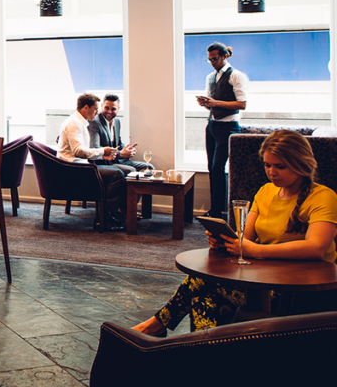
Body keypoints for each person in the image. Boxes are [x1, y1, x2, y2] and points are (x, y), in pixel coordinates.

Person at [133, 130, 337, 335]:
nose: (271, 172)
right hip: (263, 279)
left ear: (300, 164)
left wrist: (256, 250)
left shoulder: (323, 196)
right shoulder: (266, 191)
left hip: (298, 289)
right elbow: (245, 238)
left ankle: (157, 327)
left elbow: (316, 247)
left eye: (280, 166)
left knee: (201, 284)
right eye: (267, 165)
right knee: (203, 298)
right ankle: (203, 351)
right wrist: (225, 241)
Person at [60, 92, 128, 230]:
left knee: (121, 172)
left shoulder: (80, 122)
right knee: (116, 174)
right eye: (96, 109)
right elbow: (79, 151)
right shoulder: (74, 124)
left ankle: (114, 214)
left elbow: (85, 151)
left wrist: (103, 155)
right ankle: (104, 219)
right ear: (86, 107)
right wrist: (103, 151)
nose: (97, 112)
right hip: (74, 169)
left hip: (81, 166)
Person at [197, 42, 249, 218]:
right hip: (212, 124)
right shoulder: (210, 77)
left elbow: (242, 104)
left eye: (215, 59)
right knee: (212, 168)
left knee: (219, 167)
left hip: (228, 126)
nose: (212, 62)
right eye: (209, 59)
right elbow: (213, 105)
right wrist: (205, 104)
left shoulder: (236, 75)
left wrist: (215, 103)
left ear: (225, 56)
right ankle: (215, 210)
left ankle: (220, 213)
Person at [88, 94, 150, 174]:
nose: (109, 112)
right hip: (104, 163)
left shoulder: (117, 122)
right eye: (107, 108)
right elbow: (96, 149)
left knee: (149, 167)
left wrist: (127, 150)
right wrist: (120, 154)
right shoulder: (94, 122)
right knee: (131, 170)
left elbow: (119, 144)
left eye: (113, 109)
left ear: (118, 109)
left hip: (117, 161)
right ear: (102, 106)